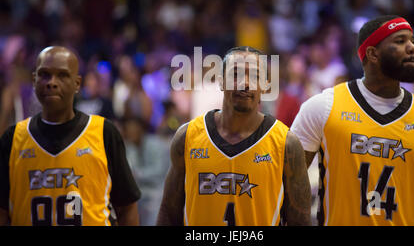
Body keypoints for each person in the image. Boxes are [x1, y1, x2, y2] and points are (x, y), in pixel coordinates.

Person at [291, 15, 414, 226]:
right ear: (372, 54)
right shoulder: (322, 107)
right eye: (400, 41)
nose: (412, 47)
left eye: (411, 40)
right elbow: (289, 182)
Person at [157, 46, 311, 226]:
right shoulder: (187, 136)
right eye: (235, 74)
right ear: (221, 82)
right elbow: (168, 212)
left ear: (266, 85)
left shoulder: (286, 143)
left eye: (254, 76)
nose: (244, 83)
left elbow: (300, 222)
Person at [0, 46, 141, 226]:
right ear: (34, 80)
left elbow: (127, 207)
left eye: (62, 75)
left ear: (77, 83)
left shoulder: (104, 132)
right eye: (44, 75)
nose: (52, 82)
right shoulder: (13, 139)